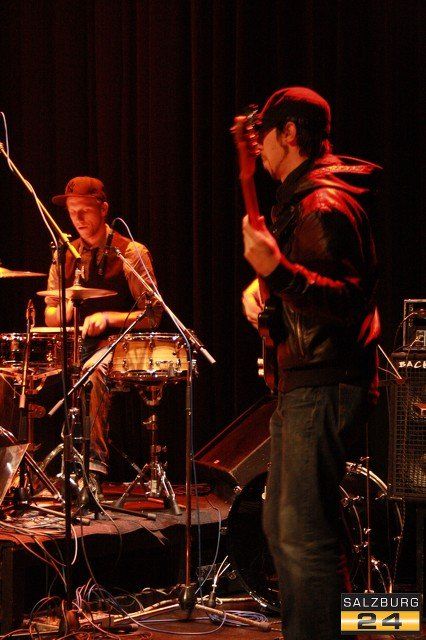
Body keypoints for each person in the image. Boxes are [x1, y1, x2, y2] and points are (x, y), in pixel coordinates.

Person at [240, 87, 381, 640]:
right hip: (308, 381)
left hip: (323, 384)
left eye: (267, 135)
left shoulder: (323, 204)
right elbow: (309, 290)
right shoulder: (303, 202)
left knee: (302, 536)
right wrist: (265, 293)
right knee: (289, 528)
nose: (260, 149)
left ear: (290, 133)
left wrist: (278, 274)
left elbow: (347, 299)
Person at [45, 176, 162, 494]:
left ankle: (92, 470)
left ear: (103, 209)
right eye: (72, 211)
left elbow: (152, 314)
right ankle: (22, 469)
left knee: (92, 371)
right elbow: (50, 315)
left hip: (118, 346)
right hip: (74, 346)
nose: (78, 218)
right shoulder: (64, 255)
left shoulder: (130, 252)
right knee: (21, 369)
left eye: (85, 210)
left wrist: (108, 317)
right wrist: (71, 304)